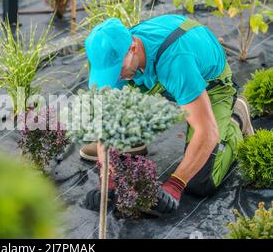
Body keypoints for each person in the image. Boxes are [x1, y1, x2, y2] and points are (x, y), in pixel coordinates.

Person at [81, 15, 254, 216]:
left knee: (200, 182)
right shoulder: (122, 55)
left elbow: (206, 132)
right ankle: (131, 139)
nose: (115, 76)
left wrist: (175, 184)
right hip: (164, 75)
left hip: (211, 84)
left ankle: (236, 120)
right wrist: (107, 177)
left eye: (117, 70)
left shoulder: (176, 61)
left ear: (134, 48)